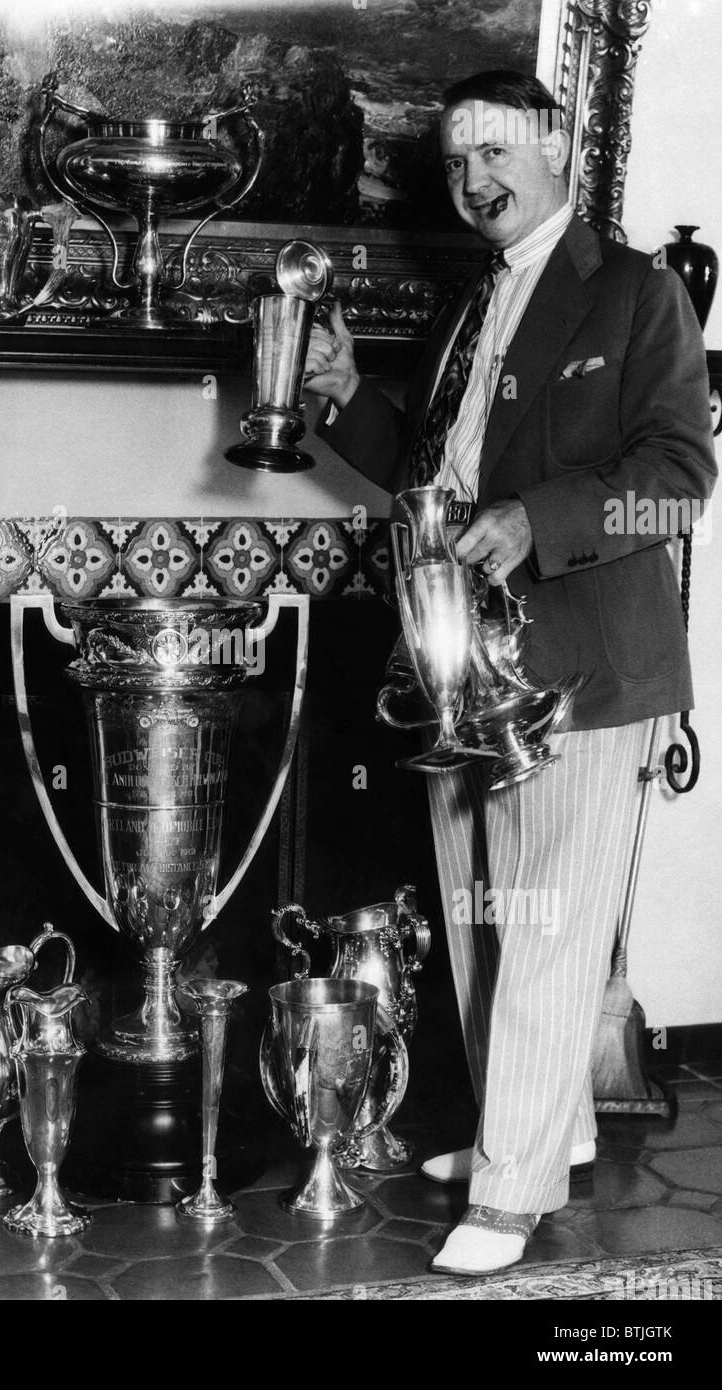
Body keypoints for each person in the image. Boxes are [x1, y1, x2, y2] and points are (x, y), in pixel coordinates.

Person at [305, 70, 716, 1276]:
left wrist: (538, 521)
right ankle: (524, 1128)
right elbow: (436, 472)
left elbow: (679, 479)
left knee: (541, 929)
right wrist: (341, 401)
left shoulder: (634, 292)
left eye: (493, 152)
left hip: (585, 669)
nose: (473, 179)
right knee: (483, 919)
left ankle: (516, 1185)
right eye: (453, 162)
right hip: (458, 662)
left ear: (555, 146)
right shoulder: (467, 305)